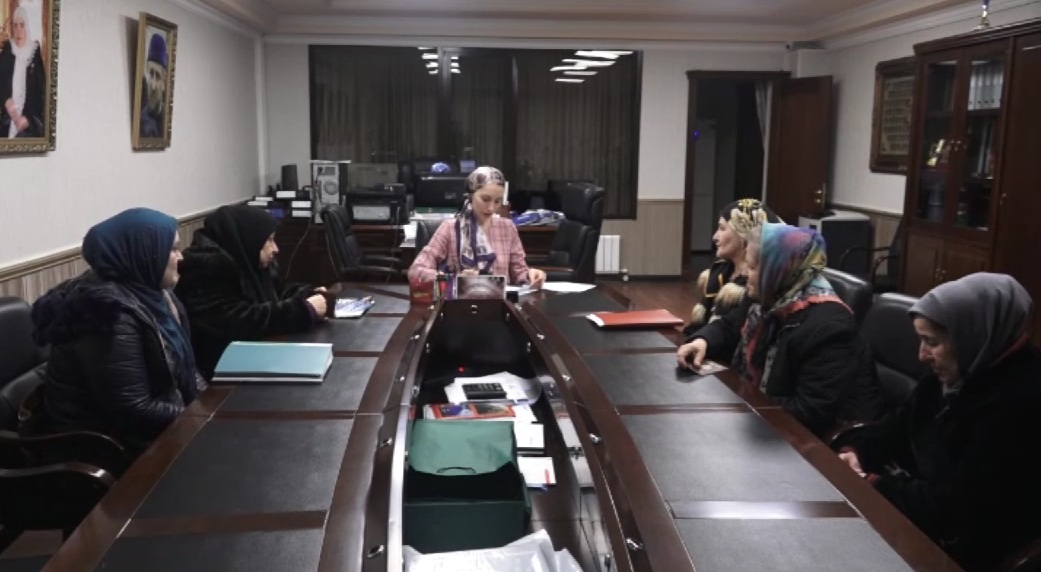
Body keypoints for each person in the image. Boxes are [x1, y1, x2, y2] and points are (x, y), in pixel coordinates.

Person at [837, 273, 1041, 570]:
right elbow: (895, 428)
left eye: (931, 342)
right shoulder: (957, 371)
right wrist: (856, 452)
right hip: (915, 520)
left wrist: (872, 483)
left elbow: (957, 508)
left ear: (972, 335)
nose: (921, 355)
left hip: (966, 550)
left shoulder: (1022, 400)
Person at [677, 222, 883, 437]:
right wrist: (702, 341)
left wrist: (739, 405)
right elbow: (730, 325)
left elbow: (811, 411)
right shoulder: (767, 296)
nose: (745, 273)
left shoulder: (829, 329)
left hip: (806, 440)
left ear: (778, 270)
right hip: (760, 419)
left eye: (752, 267)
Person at [30, 208, 204, 456]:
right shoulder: (106, 312)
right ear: (143, 253)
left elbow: (187, 367)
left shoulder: (157, 295)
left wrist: (207, 403)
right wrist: (200, 415)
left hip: (154, 429)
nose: (181, 257)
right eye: (173, 249)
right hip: (104, 448)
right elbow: (134, 410)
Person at [175, 205, 329, 379]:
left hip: (254, 357)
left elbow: (277, 292)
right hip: (224, 371)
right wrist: (303, 310)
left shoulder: (247, 258)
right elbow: (238, 322)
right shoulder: (206, 267)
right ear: (249, 238)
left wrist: (307, 294)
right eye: (269, 240)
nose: (276, 248)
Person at [408, 166, 547, 288]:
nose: (491, 208)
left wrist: (530, 275)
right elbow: (416, 271)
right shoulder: (450, 228)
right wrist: (455, 280)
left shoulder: (507, 227)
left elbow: (519, 273)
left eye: (497, 201)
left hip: (499, 304)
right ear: (470, 196)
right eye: (485, 199)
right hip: (460, 304)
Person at [682, 198, 780, 337]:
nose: (715, 237)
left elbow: (733, 333)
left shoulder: (757, 283)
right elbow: (696, 327)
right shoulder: (719, 272)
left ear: (744, 233)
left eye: (722, 228)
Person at [0, 5, 46, 138]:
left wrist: (28, 119)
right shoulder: (8, 50)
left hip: (28, 126)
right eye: (15, 26)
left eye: (22, 25)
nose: (18, 30)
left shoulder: (34, 52)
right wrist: (5, 100)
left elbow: (41, 93)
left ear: (27, 27)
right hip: (6, 121)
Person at [139, 32, 167, 138]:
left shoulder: (166, 119)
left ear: (164, 82)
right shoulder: (141, 121)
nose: (153, 86)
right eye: (151, 74)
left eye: (158, 76)